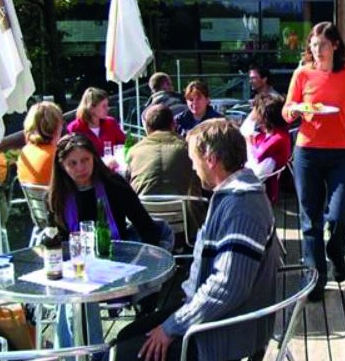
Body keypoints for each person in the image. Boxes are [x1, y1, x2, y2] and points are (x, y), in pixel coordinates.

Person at [114, 119, 280, 361]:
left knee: (125, 354)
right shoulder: (233, 193)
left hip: (225, 334)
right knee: (126, 336)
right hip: (216, 317)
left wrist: (172, 327)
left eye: (194, 160)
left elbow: (228, 288)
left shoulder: (242, 206)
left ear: (211, 159)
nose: (193, 168)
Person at [283, 21, 345, 301]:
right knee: (310, 220)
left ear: (334, 45)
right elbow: (287, 112)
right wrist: (295, 110)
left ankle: (336, 249)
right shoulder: (302, 74)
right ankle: (316, 279)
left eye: (321, 44)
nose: (315, 49)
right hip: (307, 153)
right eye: (312, 44)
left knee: (340, 214)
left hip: (339, 154)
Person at [48, 133, 161, 350]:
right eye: (72, 163)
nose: (81, 168)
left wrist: (142, 265)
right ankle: (83, 352)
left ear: (94, 158)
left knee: (78, 294)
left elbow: (146, 226)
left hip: (117, 262)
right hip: (78, 266)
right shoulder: (57, 195)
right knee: (77, 290)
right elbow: (58, 240)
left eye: (85, 160)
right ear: (61, 166)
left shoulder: (113, 184)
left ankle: (82, 352)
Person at [127, 104, 205, 233]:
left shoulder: (134, 151)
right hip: (185, 227)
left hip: (144, 226)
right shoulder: (190, 149)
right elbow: (204, 183)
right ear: (173, 124)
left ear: (147, 128)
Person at [246, 94, 291, 204]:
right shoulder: (272, 133)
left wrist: (248, 143)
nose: (253, 112)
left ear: (264, 116)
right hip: (258, 185)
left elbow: (256, 164)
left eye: (255, 109)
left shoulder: (277, 139)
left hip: (261, 192)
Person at [67, 87, 126, 157]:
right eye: (104, 106)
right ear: (91, 108)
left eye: (107, 105)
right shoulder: (74, 128)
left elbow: (124, 144)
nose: (108, 109)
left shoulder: (111, 123)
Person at [17, 102, 64, 186]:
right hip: (56, 198)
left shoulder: (24, 154)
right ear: (57, 126)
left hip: (33, 198)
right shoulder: (56, 156)